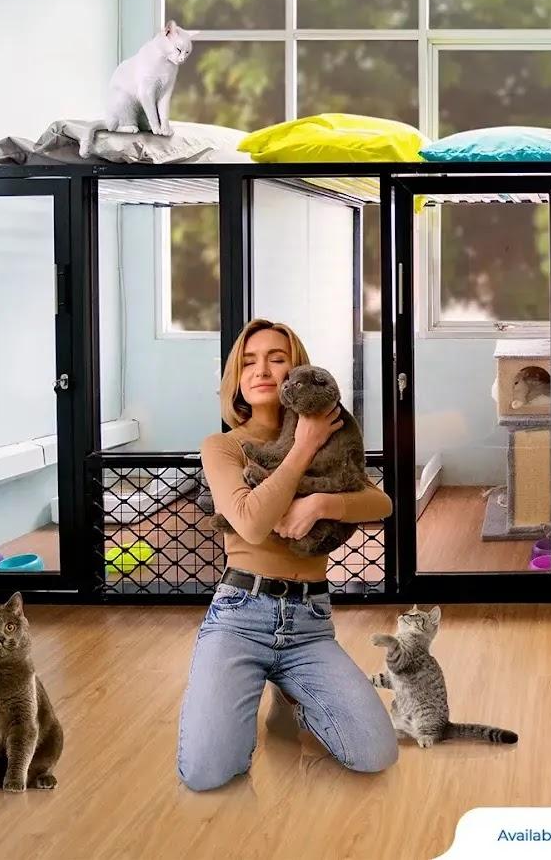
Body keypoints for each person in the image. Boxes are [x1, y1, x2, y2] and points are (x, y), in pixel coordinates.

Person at [177, 318, 397, 790]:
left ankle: (291, 691)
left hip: (309, 622)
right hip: (240, 615)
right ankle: (252, 691)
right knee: (207, 773)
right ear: (236, 378)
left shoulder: (333, 435)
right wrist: (302, 448)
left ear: (297, 373)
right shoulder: (224, 446)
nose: (262, 370)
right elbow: (253, 523)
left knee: (376, 753)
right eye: (249, 361)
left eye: (277, 359)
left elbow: (381, 503)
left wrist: (322, 502)